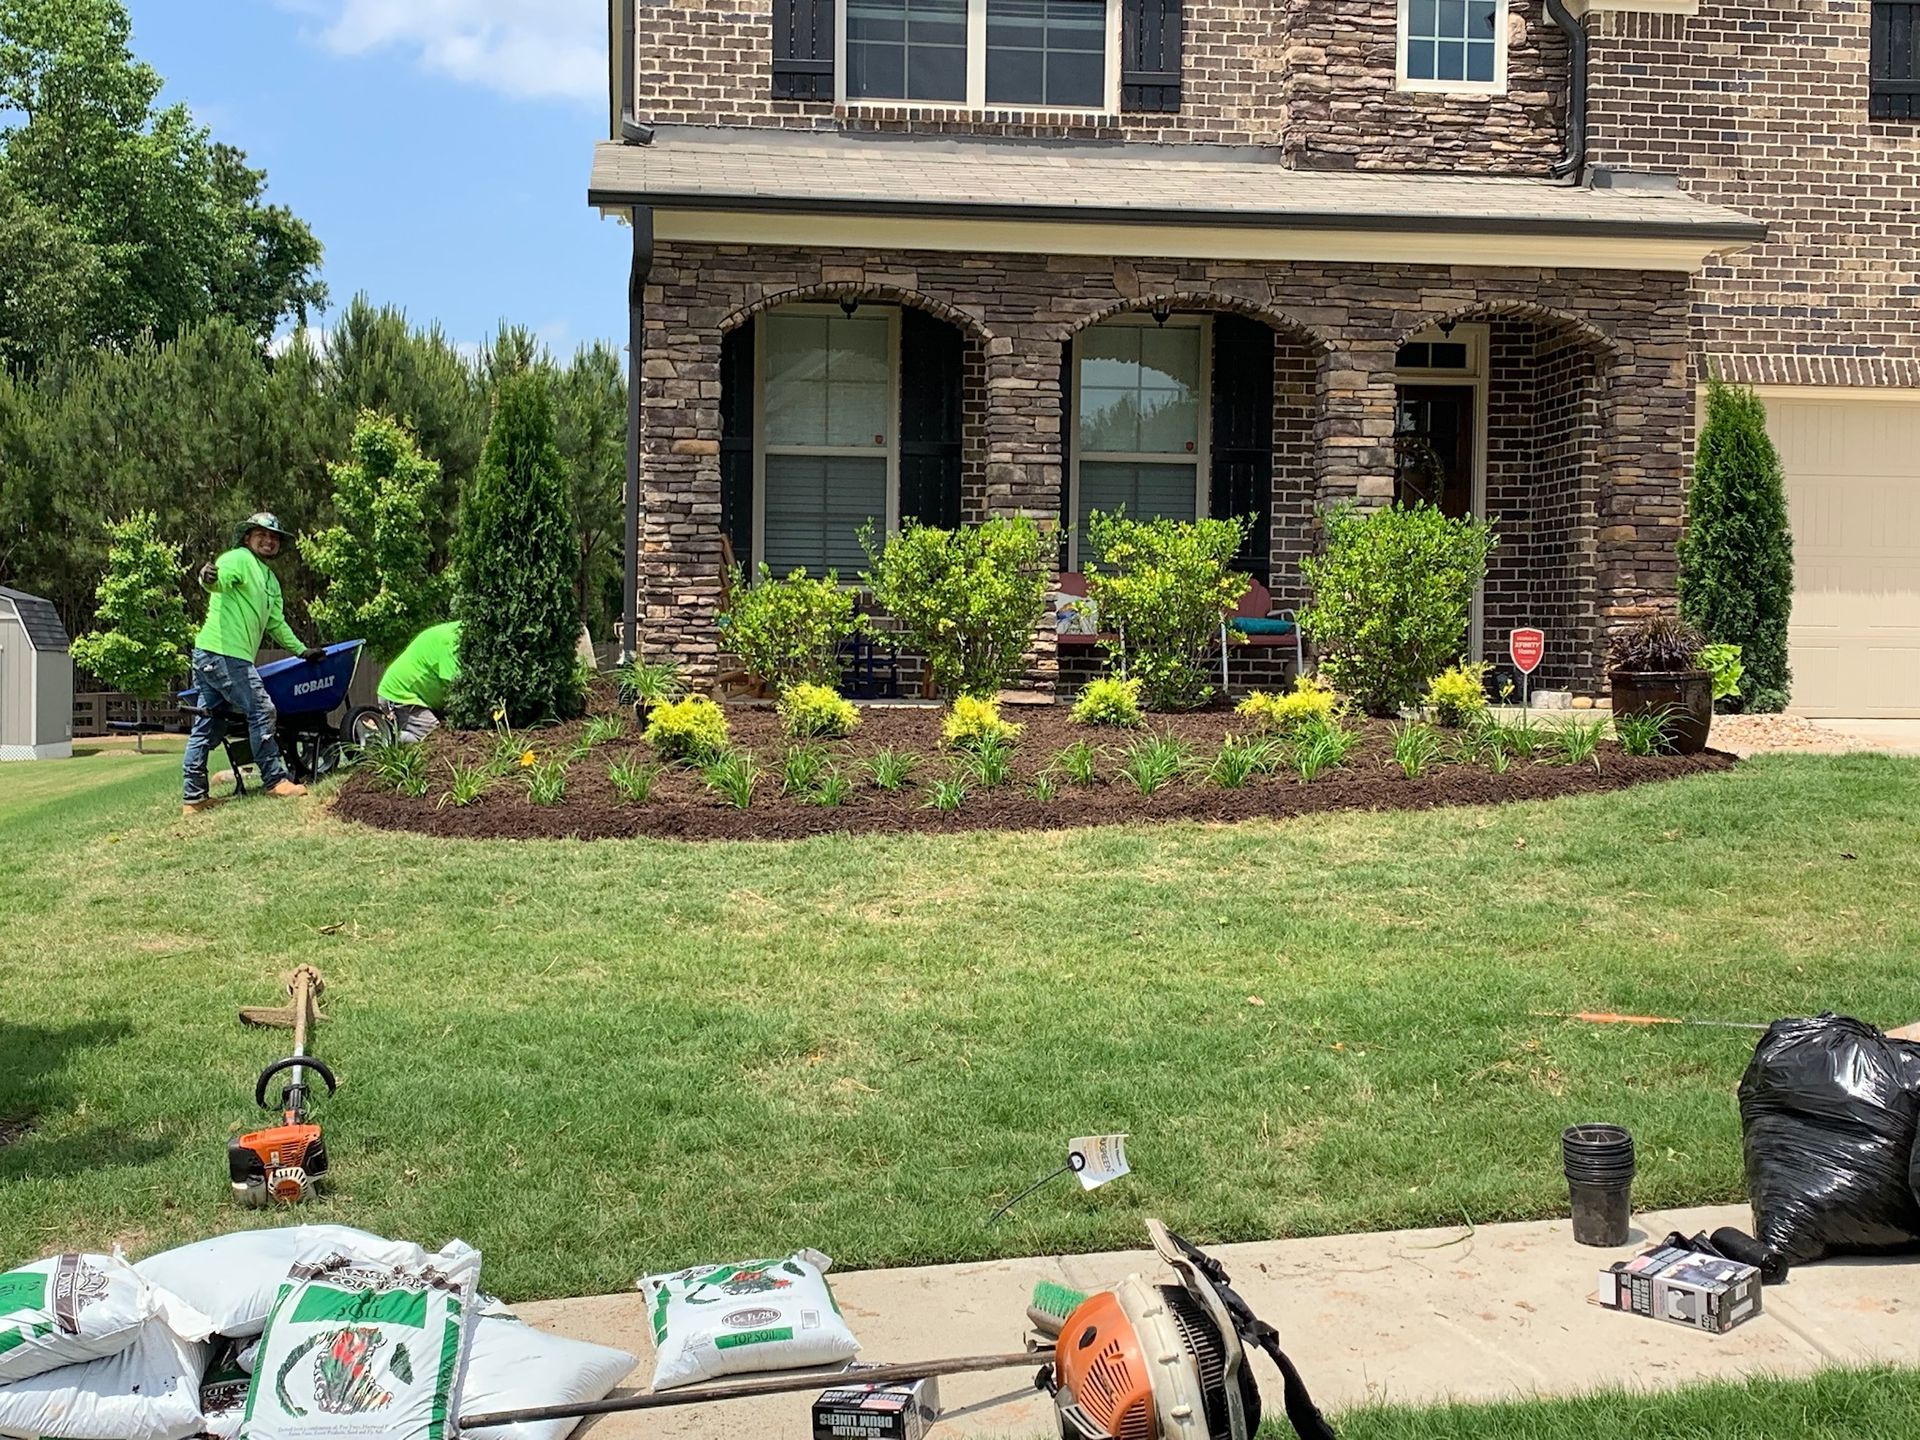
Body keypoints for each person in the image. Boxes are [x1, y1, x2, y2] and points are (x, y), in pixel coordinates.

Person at [181, 512, 325, 815]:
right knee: (262, 709)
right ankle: (275, 780)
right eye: (262, 534)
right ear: (248, 537)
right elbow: (218, 579)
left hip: (211, 655)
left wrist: (301, 651)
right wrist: (207, 577)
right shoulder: (238, 559)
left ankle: (193, 800)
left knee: (209, 723)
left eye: (274, 537)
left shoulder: (270, 580)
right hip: (224, 654)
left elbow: (276, 623)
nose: (269, 540)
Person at [377, 620, 461, 743]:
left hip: (419, 696)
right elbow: (457, 685)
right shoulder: (451, 642)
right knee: (438, 740)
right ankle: (386, 740)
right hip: (401, 695)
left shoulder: (456, 631)